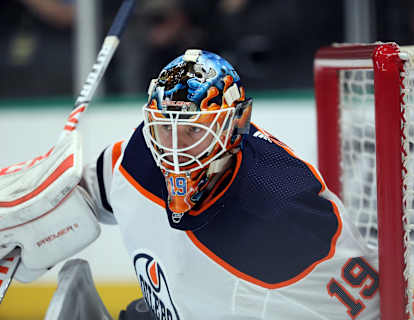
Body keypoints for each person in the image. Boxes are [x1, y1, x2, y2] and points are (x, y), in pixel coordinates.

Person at [1, 49, 379, 319]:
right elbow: (89, 190)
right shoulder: (142, 153)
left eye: (193, 132)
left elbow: (369, 303)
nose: (175, 151)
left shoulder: (285, 205)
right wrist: (43, 208)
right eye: (166, 129)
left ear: (237, 123)